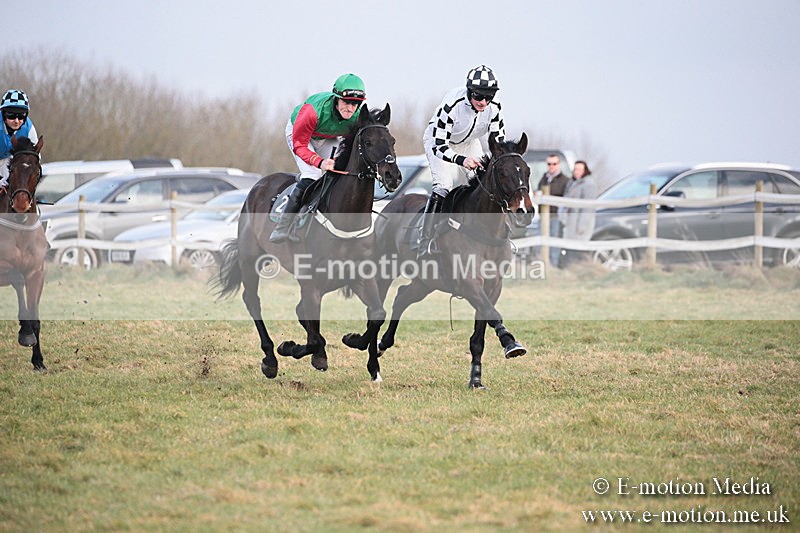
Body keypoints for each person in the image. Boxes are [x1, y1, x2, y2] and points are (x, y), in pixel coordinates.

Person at [417, 65, 506, 258]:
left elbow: (498, 143)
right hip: (439, 141)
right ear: (469, 91)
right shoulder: (452, 105)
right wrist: (462, 160)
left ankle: (493, 236)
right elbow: (439, 146)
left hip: (469, 142)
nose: (483, 102)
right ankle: (425, 241)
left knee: (485, 183)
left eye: (488, 97)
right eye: (478, 96)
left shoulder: (495, 107)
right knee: (443, 186)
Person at [269, 74, 367, 244]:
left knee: (339, 172)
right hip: (301, 136)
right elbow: (299, 145)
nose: (350, 109)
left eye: (355, 104)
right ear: (336, 99)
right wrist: (319, 162)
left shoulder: (357, 116)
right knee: (313, 174)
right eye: (346, 102)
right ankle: (283, 226)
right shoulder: (312, 112)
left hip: (329, 136)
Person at [558, 160, 598, 267]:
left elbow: (588, 207)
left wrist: (582, 225)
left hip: (579, 223)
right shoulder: (572, 183)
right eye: (575, 169)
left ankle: (577, 269)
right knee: (569, 248)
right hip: (570, 222)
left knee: (578, 249)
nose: (577, 172)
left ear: (585, 171)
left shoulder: (589, 185)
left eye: (579, 169)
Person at [1, 89, 39, 191]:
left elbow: (35, 158)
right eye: (11, 116)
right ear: (4, 115)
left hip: (11, 162)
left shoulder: (29, 128)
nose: (17, 121)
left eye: (21, 116)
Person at [536, 154, 570, 266]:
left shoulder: (565, 180)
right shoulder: (544, 178)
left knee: (554, 243)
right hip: (543, 216)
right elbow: (539, 191)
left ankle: (553, 267)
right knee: (540, 243)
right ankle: (541, 265)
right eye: (549, 164)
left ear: (559, 164)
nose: (551, 166)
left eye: (554, 163)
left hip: (555, 216)